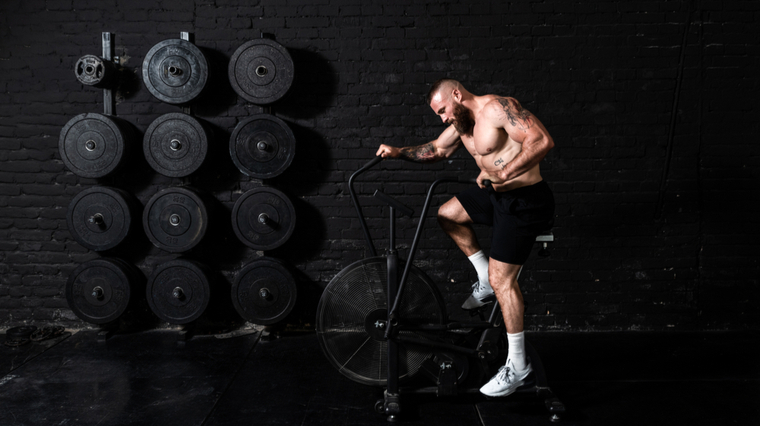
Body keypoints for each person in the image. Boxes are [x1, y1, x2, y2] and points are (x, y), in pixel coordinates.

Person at [375, 79, 555, 397]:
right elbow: (438, 149)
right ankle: (483, 273)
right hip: (497, 197)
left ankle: (518, 367)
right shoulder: (463, 123)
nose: (443, 117)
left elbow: (541, 141)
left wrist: (502, 173)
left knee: (504, 282)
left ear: (457, 95)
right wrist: (398, 152)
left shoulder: (499, 108)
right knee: (448, 214)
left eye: (443, 110)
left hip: (526, 202)